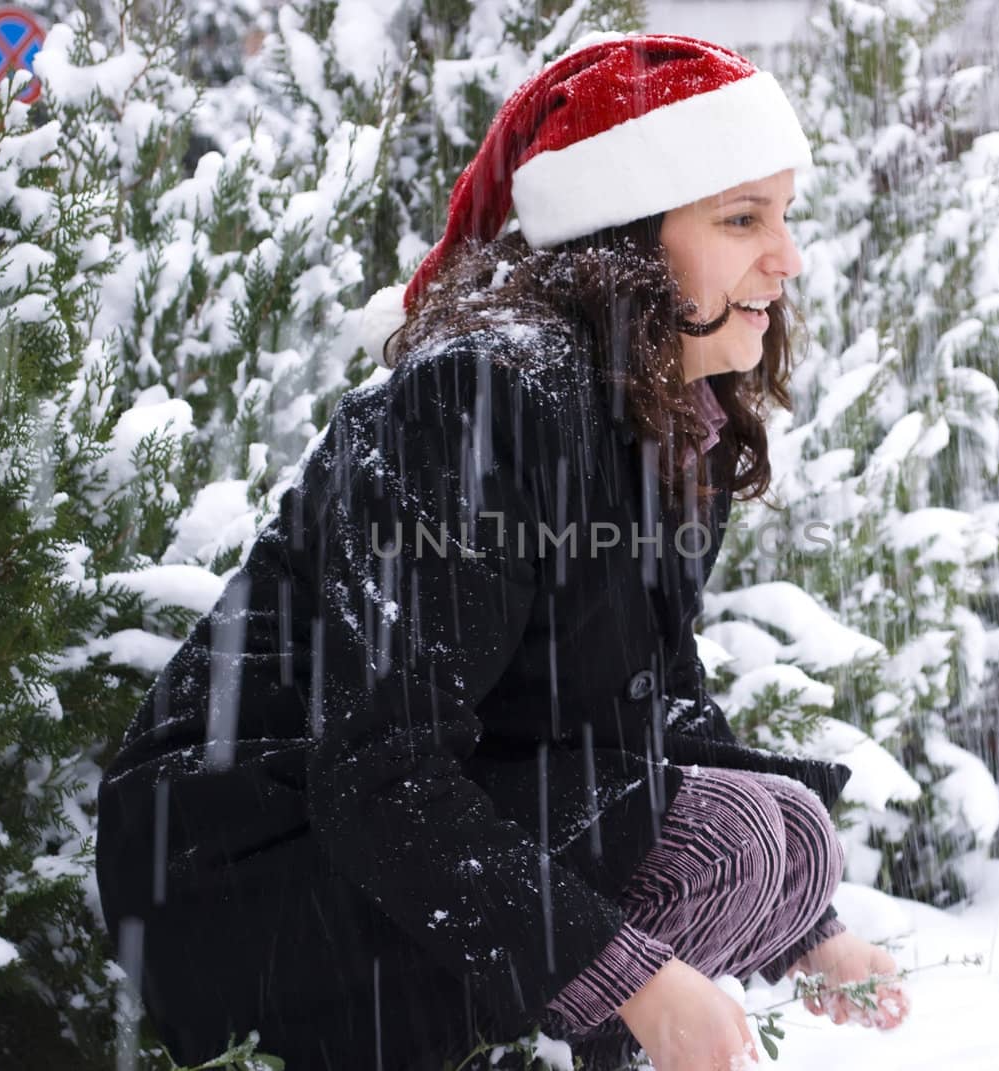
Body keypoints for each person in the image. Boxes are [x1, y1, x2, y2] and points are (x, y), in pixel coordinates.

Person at [95, 32, 911, 1071]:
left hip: (385, 846)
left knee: (787, 841)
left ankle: (539, 1042)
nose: (785, 258)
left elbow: (650, 701)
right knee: (738, 835)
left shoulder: (665, 422)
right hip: (241, 866)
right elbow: (379, 765)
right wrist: (636, 980)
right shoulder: (483, 399)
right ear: (625, 239)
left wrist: (808, 932)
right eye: (741, 219)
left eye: (783, 217)